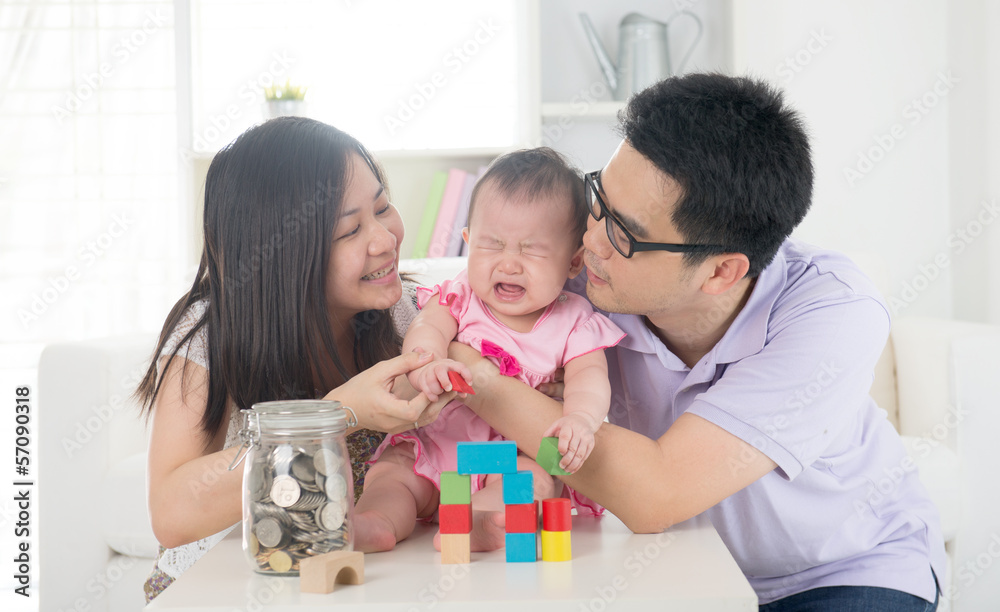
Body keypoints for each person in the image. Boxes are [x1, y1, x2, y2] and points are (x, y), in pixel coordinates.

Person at [450, 74, 944, 610]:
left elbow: (654, 494)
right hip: (689, 565)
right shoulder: (582, 283)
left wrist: (478, 382)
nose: (590, 240)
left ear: (720, 272)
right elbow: (449, 313)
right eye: (598, 199)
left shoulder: (833, 311)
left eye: (623, 231)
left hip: (844, 570)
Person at [133, 117, 451, 601]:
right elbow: (172, 515)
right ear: (286, 256)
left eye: (383, 207)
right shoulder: (211, 333)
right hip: (220, 588)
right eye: (350, 230)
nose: (385, 239)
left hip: (345, 585)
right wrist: (335, 416)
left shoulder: (413, 316)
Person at [354, 148, 625, 553]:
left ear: (573, 263)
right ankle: (375, 523)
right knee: (394, 475)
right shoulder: (460, 296)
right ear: (467, 242)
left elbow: (590, 377)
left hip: (507, 457)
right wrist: (427, 364)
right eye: (492, 245)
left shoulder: (575, 321)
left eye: (531, 249)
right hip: (436, 445)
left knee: (533, 481)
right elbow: (427, 328)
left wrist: (581, 419)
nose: (509, 264)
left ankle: (477, 523)